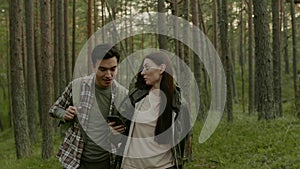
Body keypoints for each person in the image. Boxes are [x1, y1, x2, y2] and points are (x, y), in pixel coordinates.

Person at [49, 44, 127, 169]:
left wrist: (117, 134)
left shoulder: (123, 94)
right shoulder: (77, 86)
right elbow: (54, 109)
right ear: (93, 66)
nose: (108, 75)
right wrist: (65, 114)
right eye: (102, 69)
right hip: (75, 161)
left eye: (113, 69)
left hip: (108, 162)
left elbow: (126, 135)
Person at [120, 51, 190, 169]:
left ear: (162, 68)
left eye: (147, 67)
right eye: (142, 68)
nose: (142, 72)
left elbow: (182, 143)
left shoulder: (179, 105)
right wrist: (115, 131)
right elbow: (120, 132)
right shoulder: (135, 98)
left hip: (164, 166)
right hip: (131, 165)